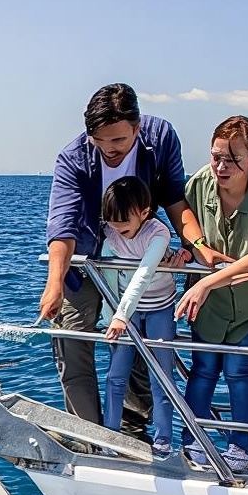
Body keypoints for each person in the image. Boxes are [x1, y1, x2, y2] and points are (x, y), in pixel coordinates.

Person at [40, 83, 197, 427]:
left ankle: (134, 430)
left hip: (136, 261)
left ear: (137, 128)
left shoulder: (161, 138)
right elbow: (62, 226)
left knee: (134, 346)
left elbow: (174, 198)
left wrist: (195, 246)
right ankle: (88, 434)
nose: (109, 149)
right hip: (83, 266)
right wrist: (53, 285)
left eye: (119, 141)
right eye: (100, 141)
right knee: (73, 342)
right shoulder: (72, 157)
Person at [174, 115, 248, 472]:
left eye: (232, 159)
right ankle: (192, 441)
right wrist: (194, 249)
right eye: (216, 157)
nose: (222, 166)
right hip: (209, 301)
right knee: (205, 367)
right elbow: (184, 224)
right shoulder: (198, 183)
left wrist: (206, 282)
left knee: (241, 367)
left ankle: (241, 449)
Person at [97, 176, 180, 457]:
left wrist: (121, 314)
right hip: (125, 312)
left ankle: (163, 439)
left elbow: (143, 274)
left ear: (144, 213)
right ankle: (110, 434)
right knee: (115, 375)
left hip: (158, 308)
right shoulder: (110, 235)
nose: (118, 229)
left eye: (124, 222)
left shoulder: (158, 234)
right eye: (112, 222)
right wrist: (112, 317)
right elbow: (108, 278)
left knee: (161, 375)